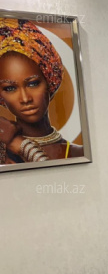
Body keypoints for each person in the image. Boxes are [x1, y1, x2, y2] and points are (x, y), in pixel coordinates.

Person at [0, 18, 83, 165]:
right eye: (10, 88)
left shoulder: (78, 153)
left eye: (33, 84)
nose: (25, 99)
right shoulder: (4, 155)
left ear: (50, 81)